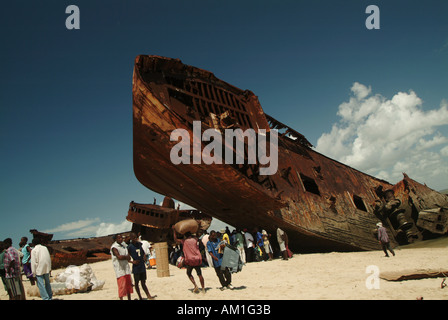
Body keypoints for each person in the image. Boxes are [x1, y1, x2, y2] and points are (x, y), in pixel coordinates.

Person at [173, 227, 205, 294]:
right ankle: (203, 288)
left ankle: (195, 285)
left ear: (185, 235)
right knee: (199, 274)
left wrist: (174, 231)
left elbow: (175, 239)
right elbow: (198, 236)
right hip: (197, 259)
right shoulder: (195, 239)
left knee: (189, 273)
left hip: (189, 260)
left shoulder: (184, 241)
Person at [128, 233, 155, 300]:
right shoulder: (130, 247)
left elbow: (142, 252)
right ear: (131, 238)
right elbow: (127, 257)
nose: (135, 239)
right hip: (136, 266)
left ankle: (148, 295)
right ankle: (140, 297)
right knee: (136, 283)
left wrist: (144, 256)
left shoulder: (139, 244)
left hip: (142, 265)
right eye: (133, 238)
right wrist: (132, 262)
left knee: (143, 281)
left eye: (136, 238)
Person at [110, 234, 133, 300]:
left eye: (121, 238)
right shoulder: (114, 247)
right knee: (121, 286)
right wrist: (126, 257)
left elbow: (128, 255)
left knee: (128, 285)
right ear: (116, 239)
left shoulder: (124, 245)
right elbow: (119, 257)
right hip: (120, 269)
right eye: (119, 238)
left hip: (126, 267)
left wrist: (126, 257)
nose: (121, 239)